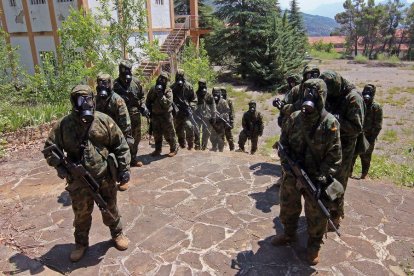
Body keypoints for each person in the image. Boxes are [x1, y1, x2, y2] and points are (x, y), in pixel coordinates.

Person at [43, 84, 131, 262]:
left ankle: (117, 233)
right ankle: (81, 244)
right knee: (81, 214)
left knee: (110, 207)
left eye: (87, 99)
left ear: (93, 99)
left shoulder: (104, 120)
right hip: (79, 181)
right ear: (73, 102)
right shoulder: (64, 125)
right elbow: (49, 149)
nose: (84, 103)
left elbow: (120, 145)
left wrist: (124, 170)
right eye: (79, 99)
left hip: (105, 176)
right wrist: (62, 168)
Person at [271, 79, 342, 265]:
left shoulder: (330, 123)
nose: (309, 98)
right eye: (306, 92)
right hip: (292, 174)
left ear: (322, 97)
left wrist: (321, 178)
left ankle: (313, 247)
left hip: (315, 178)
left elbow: (335, 155)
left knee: (316, 215)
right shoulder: (294, 118)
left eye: (314, 94)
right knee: (288, 206)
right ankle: (288, 234)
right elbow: (283, 143)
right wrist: (288, 167)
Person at [320, 70, 365, 228]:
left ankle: (336, 217)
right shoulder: (334, 94)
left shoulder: (354, 98)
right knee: (325, 181)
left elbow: (356, 128)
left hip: (344, 149)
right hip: (330, 146)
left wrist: (334, 118)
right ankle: (325, 212)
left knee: (338, 184)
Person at [95, 73, 132, 191]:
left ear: (110, 84)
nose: (103, 86)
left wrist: (123, 137)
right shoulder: (95, 100)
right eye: (100, 83)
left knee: (121, 157)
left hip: (117, 133)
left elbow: (125, 121)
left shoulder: (117, 100)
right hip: (102, 134)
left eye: (105, 83)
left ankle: (124, 179)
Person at [113, 60, 149, 167]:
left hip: (135, 115)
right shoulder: (115, 85)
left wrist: (143, 106)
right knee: (122, 139)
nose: (127, 73)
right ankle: (123, 162)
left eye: (129, 70)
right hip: (121, 117)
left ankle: (133, 158)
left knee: (136, 138)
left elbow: (142, 96)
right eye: (125, 70)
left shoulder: (136, 82)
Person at [352, 84, 383, 179]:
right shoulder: (359, 103)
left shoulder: (376, 107)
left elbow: (377, 125)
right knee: (352, 155)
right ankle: (348, 172)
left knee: (366, 157)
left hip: (368, 136)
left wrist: (371, 139)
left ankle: (363, 175)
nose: (366, 95)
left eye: (369, 92)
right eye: (365, 92)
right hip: (357, 134)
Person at [146, 72, 179, 157]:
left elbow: (168, 103)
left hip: (166, 115)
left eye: (164, 80)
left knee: (169, 133)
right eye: (160, 78)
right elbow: (148, 100)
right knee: (157, 133)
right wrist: (148, 110)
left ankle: (174, 149)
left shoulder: (168, 90)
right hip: (155, 115)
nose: (161, 81)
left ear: (166, 81)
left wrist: (161, 96)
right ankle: (157, 150)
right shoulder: (153, 89)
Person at [171, 69, 197, 150]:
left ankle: (190, 145)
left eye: (181, 77)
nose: (180, 79)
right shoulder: (172, 87)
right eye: (178, 77)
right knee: (178, 129)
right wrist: (174, 107)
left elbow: (194, 99)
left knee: (189, 126)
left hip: (186, 112)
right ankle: (182, 144)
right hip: (177, 113)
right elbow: (169, 99)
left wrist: (190, 106)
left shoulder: (188, 86)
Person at [194, 79, 216, 151]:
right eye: (200, 84)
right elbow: (193, 104)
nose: (201, 85)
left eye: (203, 84)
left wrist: (213, 116)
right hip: (197, 116)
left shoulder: (209, 95)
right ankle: (197, 146)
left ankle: (204, 146)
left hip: (207, 117)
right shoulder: (196, 94)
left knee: (206, 133)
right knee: (196, 132)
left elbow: (213, 106)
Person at [210, 87, 230, 152]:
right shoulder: (210, 101)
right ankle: (214, 147)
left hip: (221, 122)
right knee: (213, 136)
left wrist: (222, 116)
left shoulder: (223, 102)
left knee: (221, 137)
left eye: (217, 93)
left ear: (219, 93)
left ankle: (221, 149)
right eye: (214, 94)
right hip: (213, 122)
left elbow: (227, 111)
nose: (216, 95)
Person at [221, 87, 235, 151]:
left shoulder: (228, 101)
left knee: (229, 136)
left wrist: (231, 121)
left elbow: (231, 111)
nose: (222, 93)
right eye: (221, 91)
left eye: (223, 91)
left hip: (227, 120)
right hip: (220, 120)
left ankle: (232, 148)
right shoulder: (218, 100)